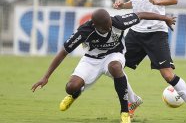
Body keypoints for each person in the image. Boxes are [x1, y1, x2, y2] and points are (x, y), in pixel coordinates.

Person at [31, 8, 176, 123]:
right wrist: (46, 77)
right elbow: (63, 53)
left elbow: (141, 14)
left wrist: (165, 18)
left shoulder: (117, 22)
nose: (109, 27)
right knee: (71, 87)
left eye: (109, 24)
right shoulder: (84, 31)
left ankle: (124, 112)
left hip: (114, 55)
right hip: (91, 60)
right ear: (95, 25)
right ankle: (76, 94)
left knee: (115, 67)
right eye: (105, 26)